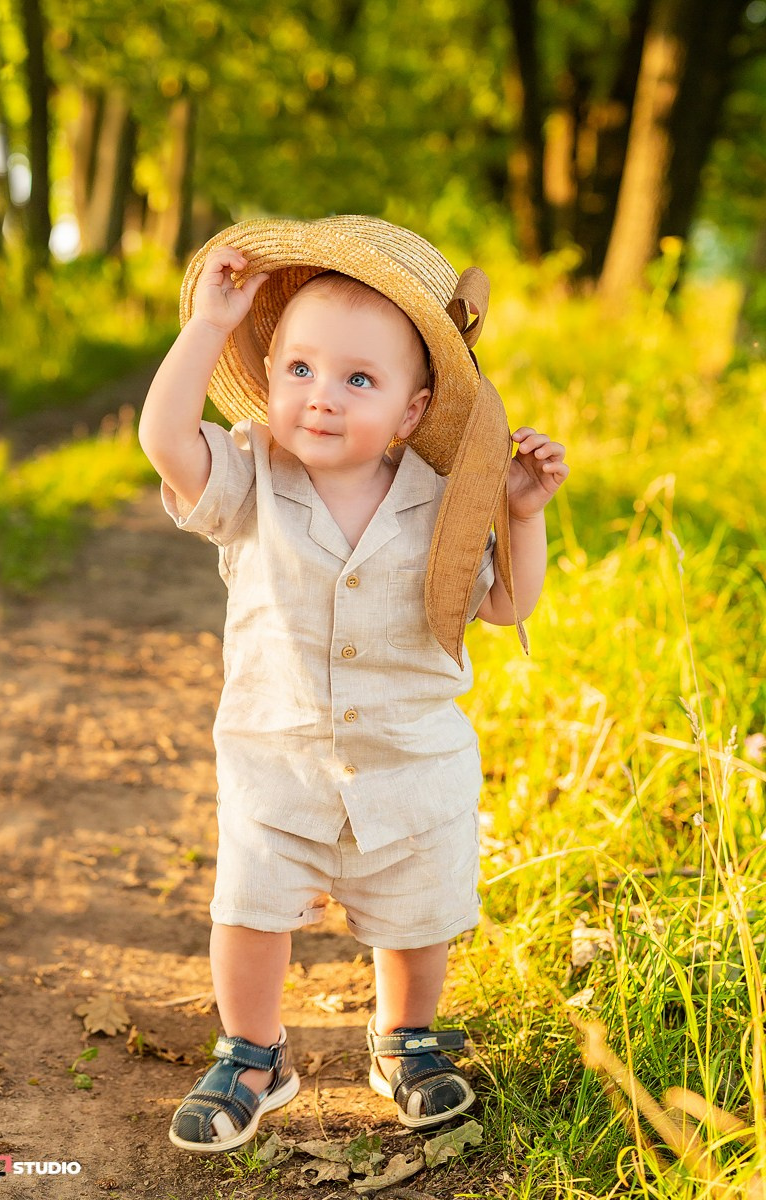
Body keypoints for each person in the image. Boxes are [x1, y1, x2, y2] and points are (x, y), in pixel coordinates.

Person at [138, 215, 568, 1154]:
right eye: (299, 370)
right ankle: (254, 1052)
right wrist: (208, 325)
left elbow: (503, 604)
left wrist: (521, 514)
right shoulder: (250, 473)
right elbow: (166, 437)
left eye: (358, 380)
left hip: (409, 761)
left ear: (413, 412)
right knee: (249, 909)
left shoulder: (445, 495)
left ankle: (403, 1039)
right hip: (276, 756)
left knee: (417, 914)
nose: (321, 399)